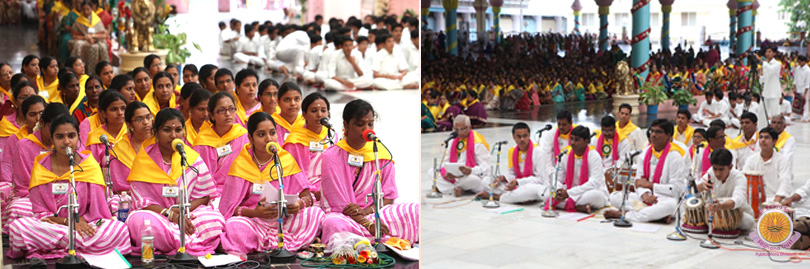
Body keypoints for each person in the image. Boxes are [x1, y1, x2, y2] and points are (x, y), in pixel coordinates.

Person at [6, 115, 131, 259]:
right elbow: (40, 213)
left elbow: (98, 211)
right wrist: (69, 223)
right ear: (51, 139)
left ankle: (63, 246)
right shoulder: (41, 167)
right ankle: (83, 247)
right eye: (60, 137)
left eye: (71, 136)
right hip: (55, 226)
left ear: (78, 137)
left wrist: (81, 223)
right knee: (18, 228)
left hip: (86, 225)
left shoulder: (89, 166)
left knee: (118, 229)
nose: (66, 142)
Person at [219, 112, 325, 254]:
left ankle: (268, 245)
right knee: (234, 226)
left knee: (315, 213)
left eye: (272, 133)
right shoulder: (241, 164)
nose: (269, 139)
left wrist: (300, 204)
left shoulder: (285, 160)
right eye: (261, 135)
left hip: (285, 220)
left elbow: (308, 197)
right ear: (250, 138)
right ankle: (289, 244)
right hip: (254, 221)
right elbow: (228, 208)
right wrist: (253, 212)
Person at [125, 108, 224, 256]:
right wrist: (171, 214)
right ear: (156, 132)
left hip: (190, 214)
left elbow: (204, 196)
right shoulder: (144, 160)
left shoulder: (191, 158)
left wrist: (183, 212)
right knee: (138, 221)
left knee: (214, 219)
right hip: (159, 217)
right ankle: (191, 243)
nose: (173, 135)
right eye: (167, 130)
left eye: (178, 130)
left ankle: (175, 242)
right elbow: (141, 202)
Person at [320, 99, 419, 245]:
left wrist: (366, 212)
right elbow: (336, 204)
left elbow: (389, 198)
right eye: (360, 124)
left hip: (374, 214)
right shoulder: (331, 156)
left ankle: (360, 240)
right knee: (333, 224)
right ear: (346, 125)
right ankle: (370, 237)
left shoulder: (381, 155)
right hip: (346, 217)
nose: (367, 129)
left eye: (370, 124)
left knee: (415, 210)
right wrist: (367, 224)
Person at [604, 119, 686, 223]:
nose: (653, 135)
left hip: (666, 199)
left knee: (670, 206)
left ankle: (624, 215)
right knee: (615, 196)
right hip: (646, 197)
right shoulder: (645, 153)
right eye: (652, 131)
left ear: (668, 136)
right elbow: (638, 181)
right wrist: (645, 195)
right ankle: (657, 216)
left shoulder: (675, 156)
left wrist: (651, 186)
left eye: (658, 132)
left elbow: (677, 189)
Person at [0, 95, 45, 231]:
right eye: (32, 114)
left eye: (42, 113)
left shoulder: (55, 138)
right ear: (24, 118)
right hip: (23, 189)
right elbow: (7, 171)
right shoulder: (16, 139)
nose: (38, 118)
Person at [283, 92, 338, 198]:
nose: (319, 115)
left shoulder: (332, 136)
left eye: (323, 110)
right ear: (304, 113)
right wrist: (313, 190)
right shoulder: (295, 140)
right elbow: (294, 173)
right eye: (314, 111)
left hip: (329, 187)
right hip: (305, 190)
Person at [478, 123, 547, 204]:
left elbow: (541, 180)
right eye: (519, 136)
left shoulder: (538, 151)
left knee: (530, 190)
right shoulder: (513, 151)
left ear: (529, 136)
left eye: (525, 136)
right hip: (517, 186)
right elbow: (512, 174)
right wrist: (503, 178)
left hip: (532, 186)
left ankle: (497, 197)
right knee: (486, 181)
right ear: (513, 137)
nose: (522, 139)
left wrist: (518, 182)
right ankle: (516, 197)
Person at [192, 92, 249, 188]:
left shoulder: (243, 136)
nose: (228, 114)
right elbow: (197, 174)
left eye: (231, 109)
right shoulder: (203, 140)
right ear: (212, 115)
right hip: (208, 191)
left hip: (238, 189)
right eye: (222, 110)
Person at [696, 148, 755, 232]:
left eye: (721, 169)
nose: (717, 173)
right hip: (714, 211)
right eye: (715, 169)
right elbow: (695, 189)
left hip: (735, 213)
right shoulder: (711, 173)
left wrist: (721, 206)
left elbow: (738, 199)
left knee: (748, 222)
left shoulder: (739, 177)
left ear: (730, 167)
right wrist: (701, 187)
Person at [552, 126, 609, 213]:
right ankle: (578, 207)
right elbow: (558, 178)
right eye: (571, 139)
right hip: (569, 191)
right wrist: (558, 191)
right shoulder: (565, 154)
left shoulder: (594, 156)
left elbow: (594, 183)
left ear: (586, 141)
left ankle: (567, 204)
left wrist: (569, 193)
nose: (573, 143)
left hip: (588, 192)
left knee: (595, 196)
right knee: (545, 192)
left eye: (577, 140)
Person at [437, 115, 490, 197]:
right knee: (432, 172)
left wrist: (471, 171)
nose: (460, 133)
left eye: (463, 129)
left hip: (471, 176)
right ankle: (457, 189)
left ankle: (449, 189)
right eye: (456, 130)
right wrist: (447, 172)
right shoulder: (452, 141)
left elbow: (486, 167)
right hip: (454, 177)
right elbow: (445, 162)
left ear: (470, 127)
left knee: (469, 180)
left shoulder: (478, 143)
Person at [742, 127, 791, 203]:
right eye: (761, 137)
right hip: (754, 198)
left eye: (766, 137)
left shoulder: (782, 160)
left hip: (776, 198)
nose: (763, 140)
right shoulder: (751, 159)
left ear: (774, 141)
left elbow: (785, 181)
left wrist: (776, 201)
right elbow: (743, 178)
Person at [68, 1, 109, 77]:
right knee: (80, 45)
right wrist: (85, 37)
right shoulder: (79, 21)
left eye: (88, 9)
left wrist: (92, 36)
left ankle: (101, 71)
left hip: (96, 40)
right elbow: (74, 35)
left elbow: (104, 35)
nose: (86, 11)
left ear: (91, 9)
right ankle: (80, 70)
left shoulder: (97, 20)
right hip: (83, 40)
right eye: (84, 9)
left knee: (100, 47)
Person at [539, 110, 576, 180]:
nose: (561, 127)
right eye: (559, 124)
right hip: (554, 170)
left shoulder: (577, 136)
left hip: (573, 170)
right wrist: (552, 173)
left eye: (564, 124)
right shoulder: (550, 134)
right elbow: (546, 156)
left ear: (571, 123)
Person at [760, 47, 782, 119]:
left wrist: (762, 61)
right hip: (766, 91)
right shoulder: (765, 64)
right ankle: (762, 128)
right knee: (763, 112)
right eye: (766, 52)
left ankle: (776, 128)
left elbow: (771, 70)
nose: (767, 53)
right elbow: (763, 79)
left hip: (774, 92)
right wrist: (760, 75)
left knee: (774, 113)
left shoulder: (777, 64)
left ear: (774, 53)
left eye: (769, 52)